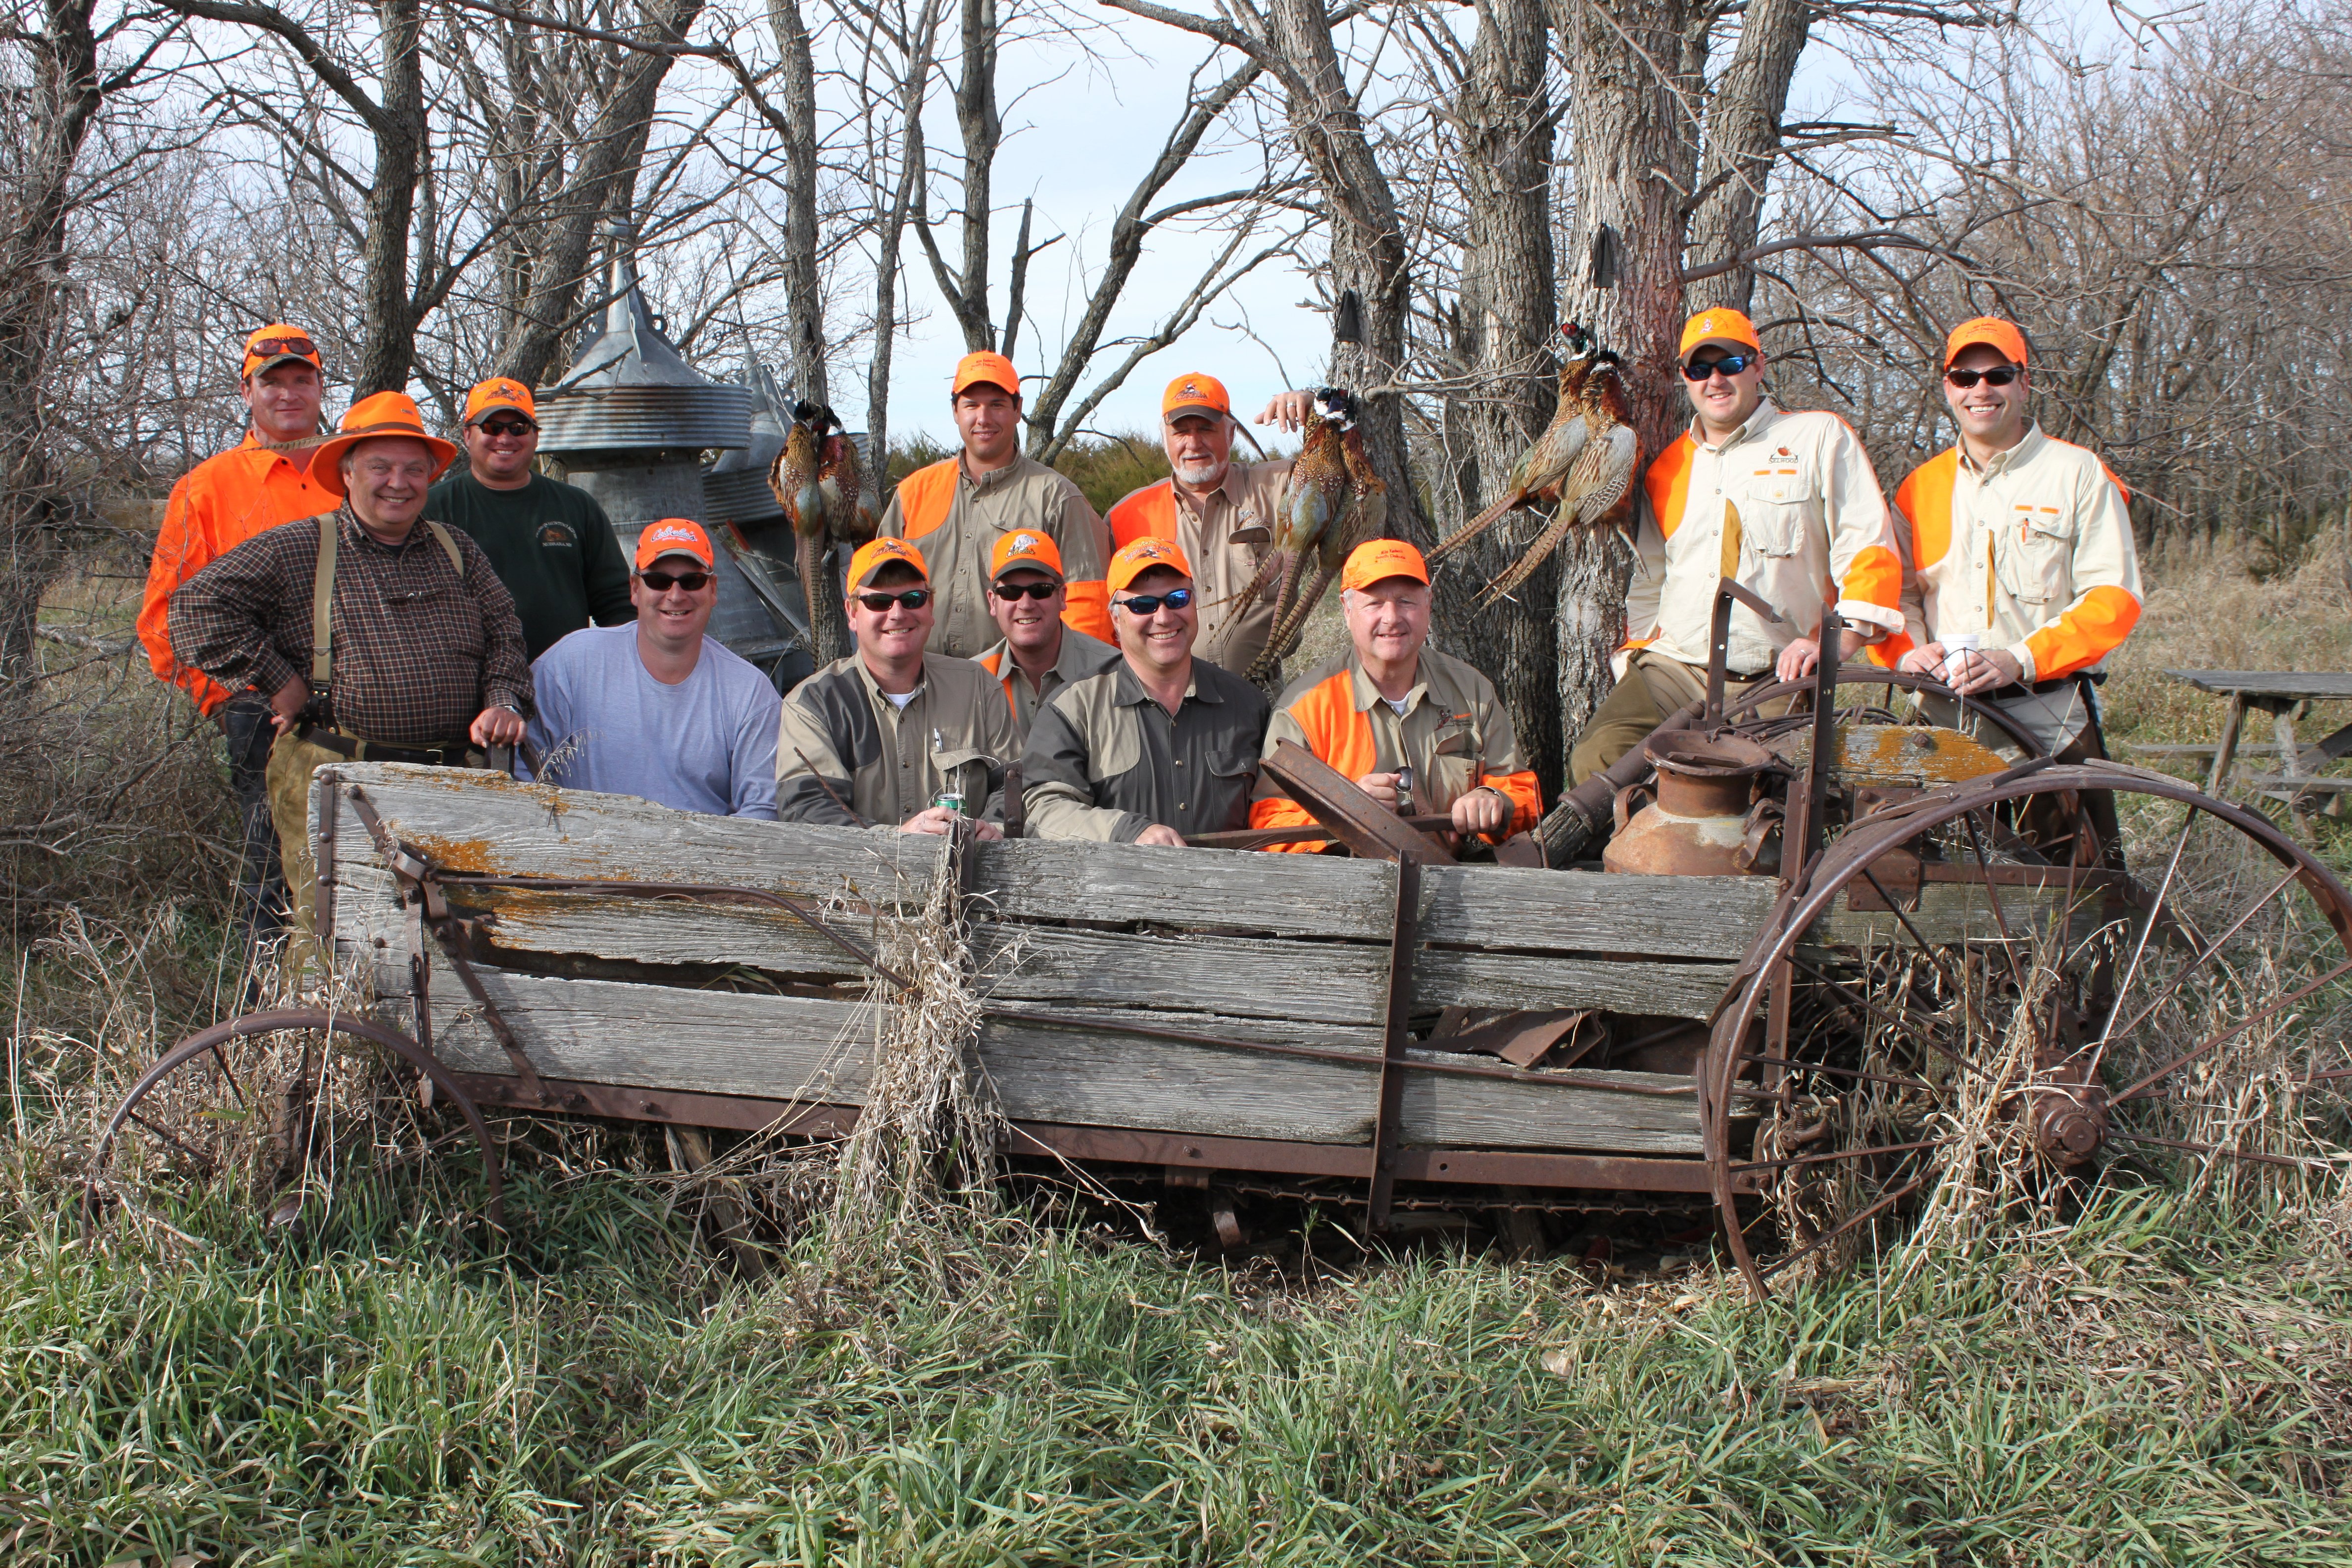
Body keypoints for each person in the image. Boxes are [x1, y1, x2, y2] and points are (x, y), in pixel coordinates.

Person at [168, 392, 532, 939]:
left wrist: (502, 700)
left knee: (457, 939)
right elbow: (193, 607)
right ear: (346, 473)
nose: (398, 483)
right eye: (380, 467)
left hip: (453, 781)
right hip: (341, 781)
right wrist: (277, 679)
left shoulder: (456, 549)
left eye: (414, 469)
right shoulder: (298, 546)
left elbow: (505, 631)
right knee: (333, 938)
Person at [1568, 307, 1907, 784]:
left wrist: (1838, 641)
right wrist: (1635, 655)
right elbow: (1650, 577)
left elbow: (1867, 545)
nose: (1715, 381)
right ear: (1685, 378)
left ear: (1758, 366)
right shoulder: (1667, 468)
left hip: (1778, 676)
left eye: (1730, 364)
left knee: (1767, 798)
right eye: (1700, 370)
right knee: (1599, 760)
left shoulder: (1818, 438)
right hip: (1677, 669)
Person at [137, 324, 338, 946]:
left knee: (366, 860)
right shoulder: (206, 487)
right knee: (275, 870)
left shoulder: (356, 472)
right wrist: (229, 701)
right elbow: (165, 616)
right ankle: (265, 997)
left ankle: (353, 995)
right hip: (263, 708)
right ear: (246, 392)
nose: (288, 394)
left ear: (321, 388)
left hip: (362, 694)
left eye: (302, 380)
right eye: (271, 382)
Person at [1885, 317, 2142, 765]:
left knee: (2070, 816)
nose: (1981, 390)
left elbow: (2113, 597)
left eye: (1999, 375)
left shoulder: (2079, 473)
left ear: (2023, 385)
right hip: (1940, 722)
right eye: (1965, 378)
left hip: (2050, 722)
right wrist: (1910, 651)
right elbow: (1897, 595)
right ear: (1949, 389)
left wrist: (2020, 659)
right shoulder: (1919, 487)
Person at [1251, 540, 1542, 852]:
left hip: (1458, 875)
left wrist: (1494, 800)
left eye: (1406, 601)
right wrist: (1344, 811)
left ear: (1428, 604)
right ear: (1347, 610)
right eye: (1375, 603)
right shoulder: (1304, 708)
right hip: (1348, 879)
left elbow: (1523, 791)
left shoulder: (1472, 691)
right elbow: (1269, 824)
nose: (1391, 618)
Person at [525, 519, 782, 818]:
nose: (675, 595)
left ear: (713, 590)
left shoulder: (750, 692)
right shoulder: (570, 664)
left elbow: (764, 808)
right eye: (658, 581)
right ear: (635, 589)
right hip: (582, 844)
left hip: (700, 848)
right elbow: (521, 769)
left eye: (692, 581)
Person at [1023, 538, 1271, 845]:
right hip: (1116, 878)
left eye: (1177, 598)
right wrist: (1126, 832)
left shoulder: (1248, 704)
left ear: (1195, 603)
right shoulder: (1073, 709)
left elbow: (1278, 809)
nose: (1164, 617)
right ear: (1115, 618)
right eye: (1143, 605)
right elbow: (1044, 811)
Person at [876, 350, 1112, 658]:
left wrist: (1075, 682)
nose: (983, 418)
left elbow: (1088, 608)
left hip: (1016, 680)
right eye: (971, 405)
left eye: (997, 405)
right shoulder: (913, 492)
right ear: (955, 411)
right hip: (921, 677)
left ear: (1018, 410)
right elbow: (877, 596)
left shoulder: (1056, 496)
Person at [775, 538, 1012, 836]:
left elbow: (1015, 786)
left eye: (913, 598)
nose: (897, 613)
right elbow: (806, 812)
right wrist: (897, 840)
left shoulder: (978, 687)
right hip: (859, 869)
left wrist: (994, 830)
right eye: (879, 601)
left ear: (930, 607)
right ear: (852, 613)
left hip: (972, 864)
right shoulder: (812, 704)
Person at [1103, 373, 1317, 676]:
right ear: (1165, 438)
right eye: (1181, 432)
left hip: (1262, 693)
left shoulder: (1280, 486)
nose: (1194, 443)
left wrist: (1318, 408)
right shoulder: (1126, 515)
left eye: (1206, 429)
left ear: (1231, 433)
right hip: (1160, 695)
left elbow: (1350, 490)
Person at [423, 376, 634, 661]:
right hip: (470, 679)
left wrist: (616, 664)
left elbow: (617, 604)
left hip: (564, 677)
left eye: (519, 428)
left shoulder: (577, 506)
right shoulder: (433, 510)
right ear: (467, 435)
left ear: (535, 435)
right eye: (492, 427)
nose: (505, 438)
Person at [972, 528, 1121, 748]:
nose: (1026, 604)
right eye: (1011, 592)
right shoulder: (973, 680)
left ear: (1062, 597)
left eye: (1040, 590)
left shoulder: (1113, 672)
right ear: (993, 602)